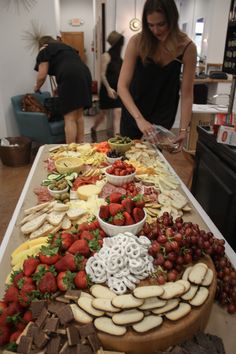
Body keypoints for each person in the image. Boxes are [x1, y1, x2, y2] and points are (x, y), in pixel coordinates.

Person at [117, 0, 197, 151]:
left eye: (161, 24)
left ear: (172, 20)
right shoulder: (138, 41)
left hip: (163, 111)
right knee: (126, 155)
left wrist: (183, 130)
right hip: (134, 108)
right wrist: (139, 119)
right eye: (150, 25)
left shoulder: (187, 47)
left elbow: (187, 93)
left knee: (154, 159)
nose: (155, 30)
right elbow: (122, 86)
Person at [34, 35, 92, 144]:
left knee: (69, 117)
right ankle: (80, 147)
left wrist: (36, 87)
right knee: (79, 115)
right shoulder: (66, 47)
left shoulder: (44, 50)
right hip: (84, 74)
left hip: (70, 76)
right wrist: (59, 87)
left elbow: (42, 75)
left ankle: (71, 151)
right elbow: (68, 65)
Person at [91, 31, 124, 143]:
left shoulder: (120, 58)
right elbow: (102, 74)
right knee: (103, 114)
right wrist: (109, 88)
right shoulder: (106, 55)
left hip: (118, 89)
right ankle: (93, 128)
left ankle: (117, 141)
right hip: (107, 89)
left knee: (117, 112)